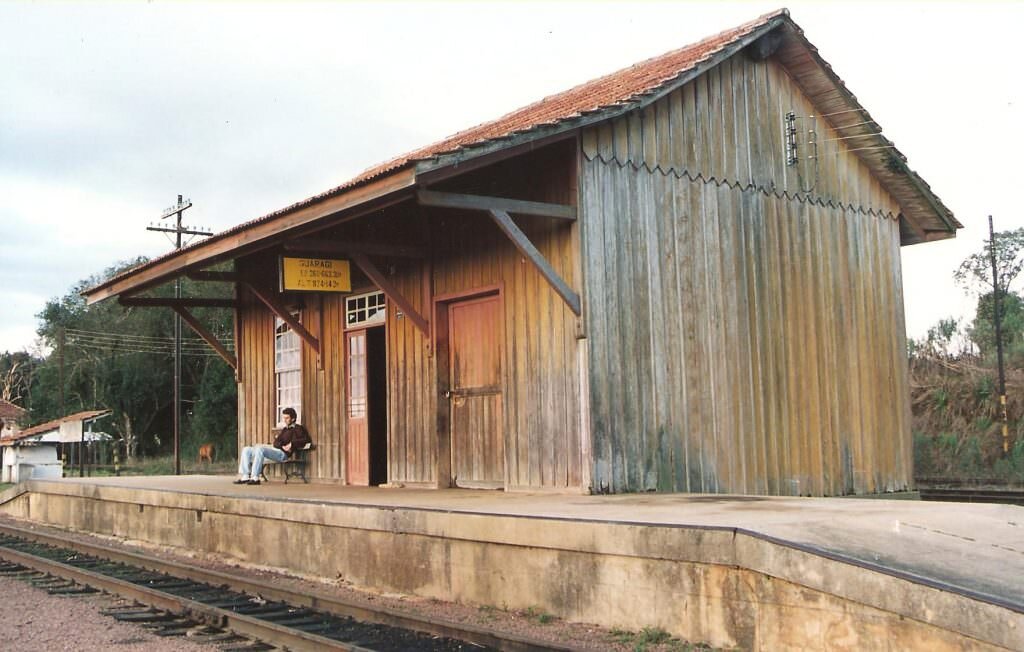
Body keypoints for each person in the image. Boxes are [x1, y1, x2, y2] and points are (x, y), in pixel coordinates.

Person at [234, 407, 312, 485]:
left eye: (287, 418)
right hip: (276, 450)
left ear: (293, 418)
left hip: (283, 454)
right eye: (284, 418)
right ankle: (245, 476)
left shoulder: (298, 428)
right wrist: (282, 445)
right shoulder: (285, 429)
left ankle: (255, 477)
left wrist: (292, 444)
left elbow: (306, 440)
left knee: (260, 449)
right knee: (246, 449)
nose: (284, 420)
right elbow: (276, 442)